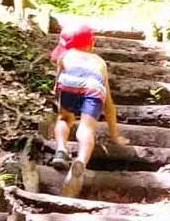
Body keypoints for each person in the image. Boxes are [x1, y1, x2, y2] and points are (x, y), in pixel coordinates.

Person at [50, 23, 120, 197]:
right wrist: (115, 135)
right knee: (86, 128)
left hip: (69, 82)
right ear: (91, 44)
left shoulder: (65, 55)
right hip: (94, 86)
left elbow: (57, 86)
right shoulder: (99, 62)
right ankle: (80, 160)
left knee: (64, 118)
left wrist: (60, 101)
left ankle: (61, 149)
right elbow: (109, 105)